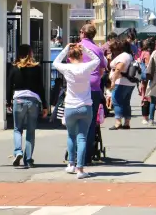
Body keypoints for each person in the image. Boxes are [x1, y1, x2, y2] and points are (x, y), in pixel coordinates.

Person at [52, 42, 100, 179]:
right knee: (82, 137)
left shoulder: (66, 68)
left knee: (71, 136)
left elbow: (55, 62)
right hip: (85, 105)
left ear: (69, 57)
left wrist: (66, 48)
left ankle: (71, 164)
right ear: (81, 55)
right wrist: (85, 49)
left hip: (70, 107)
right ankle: (80, 169)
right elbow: (97, 59)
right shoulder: (86, 67)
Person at [7, 44, 48, 167]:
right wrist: (45, 105)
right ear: (30, 53)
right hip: (33, 101)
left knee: (17, 129)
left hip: (18, 99)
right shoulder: (37, 67)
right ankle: (28, 159)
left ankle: (18, 151)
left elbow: (9, 86)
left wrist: (8, 101)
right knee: (31, 131)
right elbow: (41, 87)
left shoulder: (14, 67)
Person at [79, 23, 107, 167]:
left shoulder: (76, 48)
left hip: (78, 88)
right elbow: (102, 70)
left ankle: (76, 155)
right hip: (94, 87)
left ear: (83, 33)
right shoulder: (97, 49)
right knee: (90, 123)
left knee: (76, 122)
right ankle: (87, 155)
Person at [109, 38, 136, 129]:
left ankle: (118, 122)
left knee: (117, 101)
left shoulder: (123, 56)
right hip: (129, 83)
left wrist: (113, 81)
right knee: (126, 102)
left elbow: (118, 68)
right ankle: (127, 122)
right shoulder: (129, 55)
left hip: (121, 82)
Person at [139, 38, 154, 124]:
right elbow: (149, 66)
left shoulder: (142, 53)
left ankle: (145, 117)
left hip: (143, 78)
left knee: (144, 96)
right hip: (148, 77)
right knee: (147, 97)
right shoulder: (148, 53)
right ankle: (146, 118)